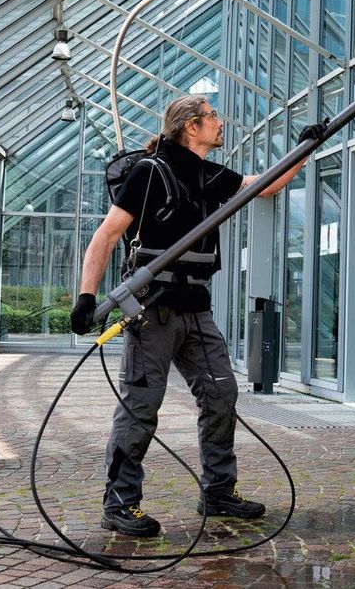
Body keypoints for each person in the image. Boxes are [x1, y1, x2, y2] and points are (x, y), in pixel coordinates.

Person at [70, 94, 326, 537]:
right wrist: (85, 297)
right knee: (141, 406)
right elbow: (108, 234)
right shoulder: (150, 173)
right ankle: (119, 502)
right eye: (212, 117)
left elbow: (263, 184)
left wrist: (304, 150)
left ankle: (218, 492)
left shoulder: (208, 174)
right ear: (191, 126)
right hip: (152, 311)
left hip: (197, 310)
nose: (220, 123)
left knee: (221, 394)